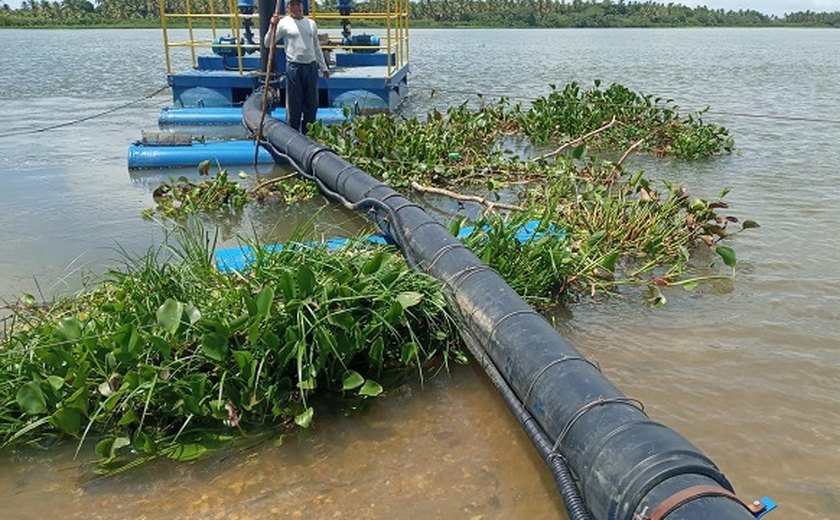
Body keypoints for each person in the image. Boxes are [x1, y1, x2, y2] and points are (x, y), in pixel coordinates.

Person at [264, 0, 330, 135]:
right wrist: (272, 26)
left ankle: (309, 133)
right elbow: (267, 43)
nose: (296, 7)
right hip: (294, 67)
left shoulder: (311, 23)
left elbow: (316, 47)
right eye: (292, 5)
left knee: (312, 103)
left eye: (298, 4)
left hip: (311, 67)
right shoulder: (284, 23)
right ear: (288, 8)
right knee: (295, 103)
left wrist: (324, 67)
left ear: (302, 6)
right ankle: (293, 133)